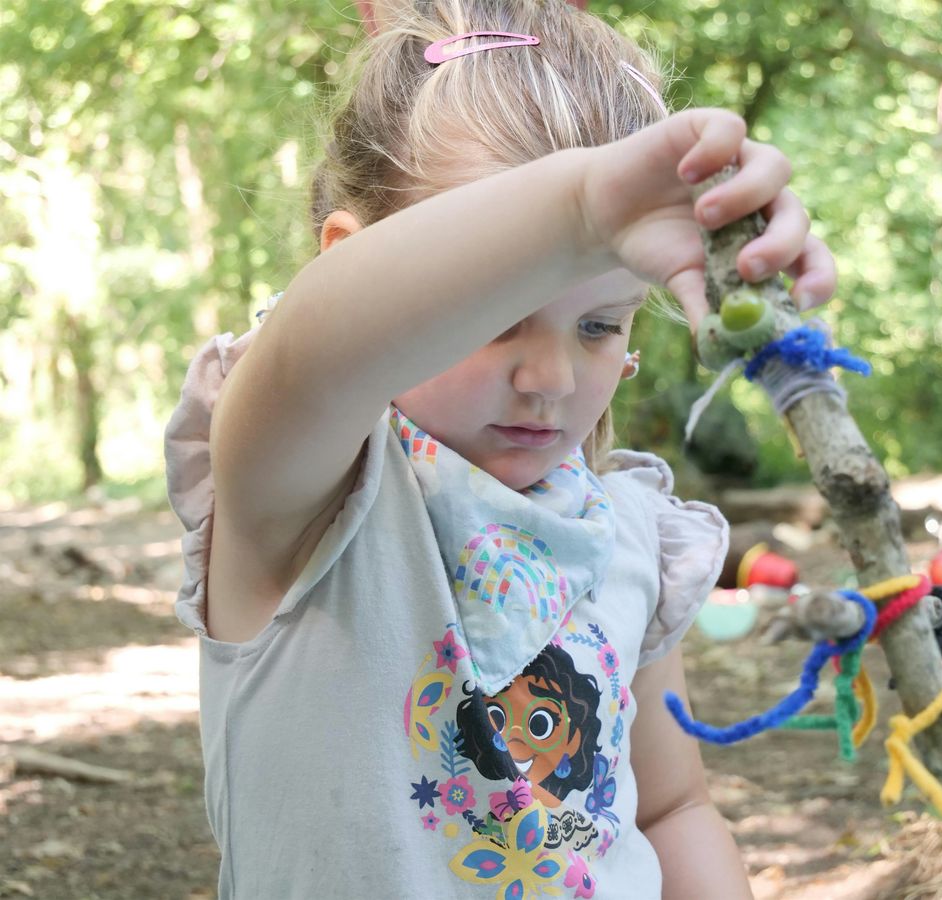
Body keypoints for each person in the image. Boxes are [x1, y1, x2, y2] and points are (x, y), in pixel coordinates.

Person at [163, 2, 836, 897]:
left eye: (599, 324)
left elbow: (671, 808)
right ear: (345, 262)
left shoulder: (626, 529)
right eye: (498, 318)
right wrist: (579, 209)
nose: (550, 377)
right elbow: (317, 348)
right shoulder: (308, 490)